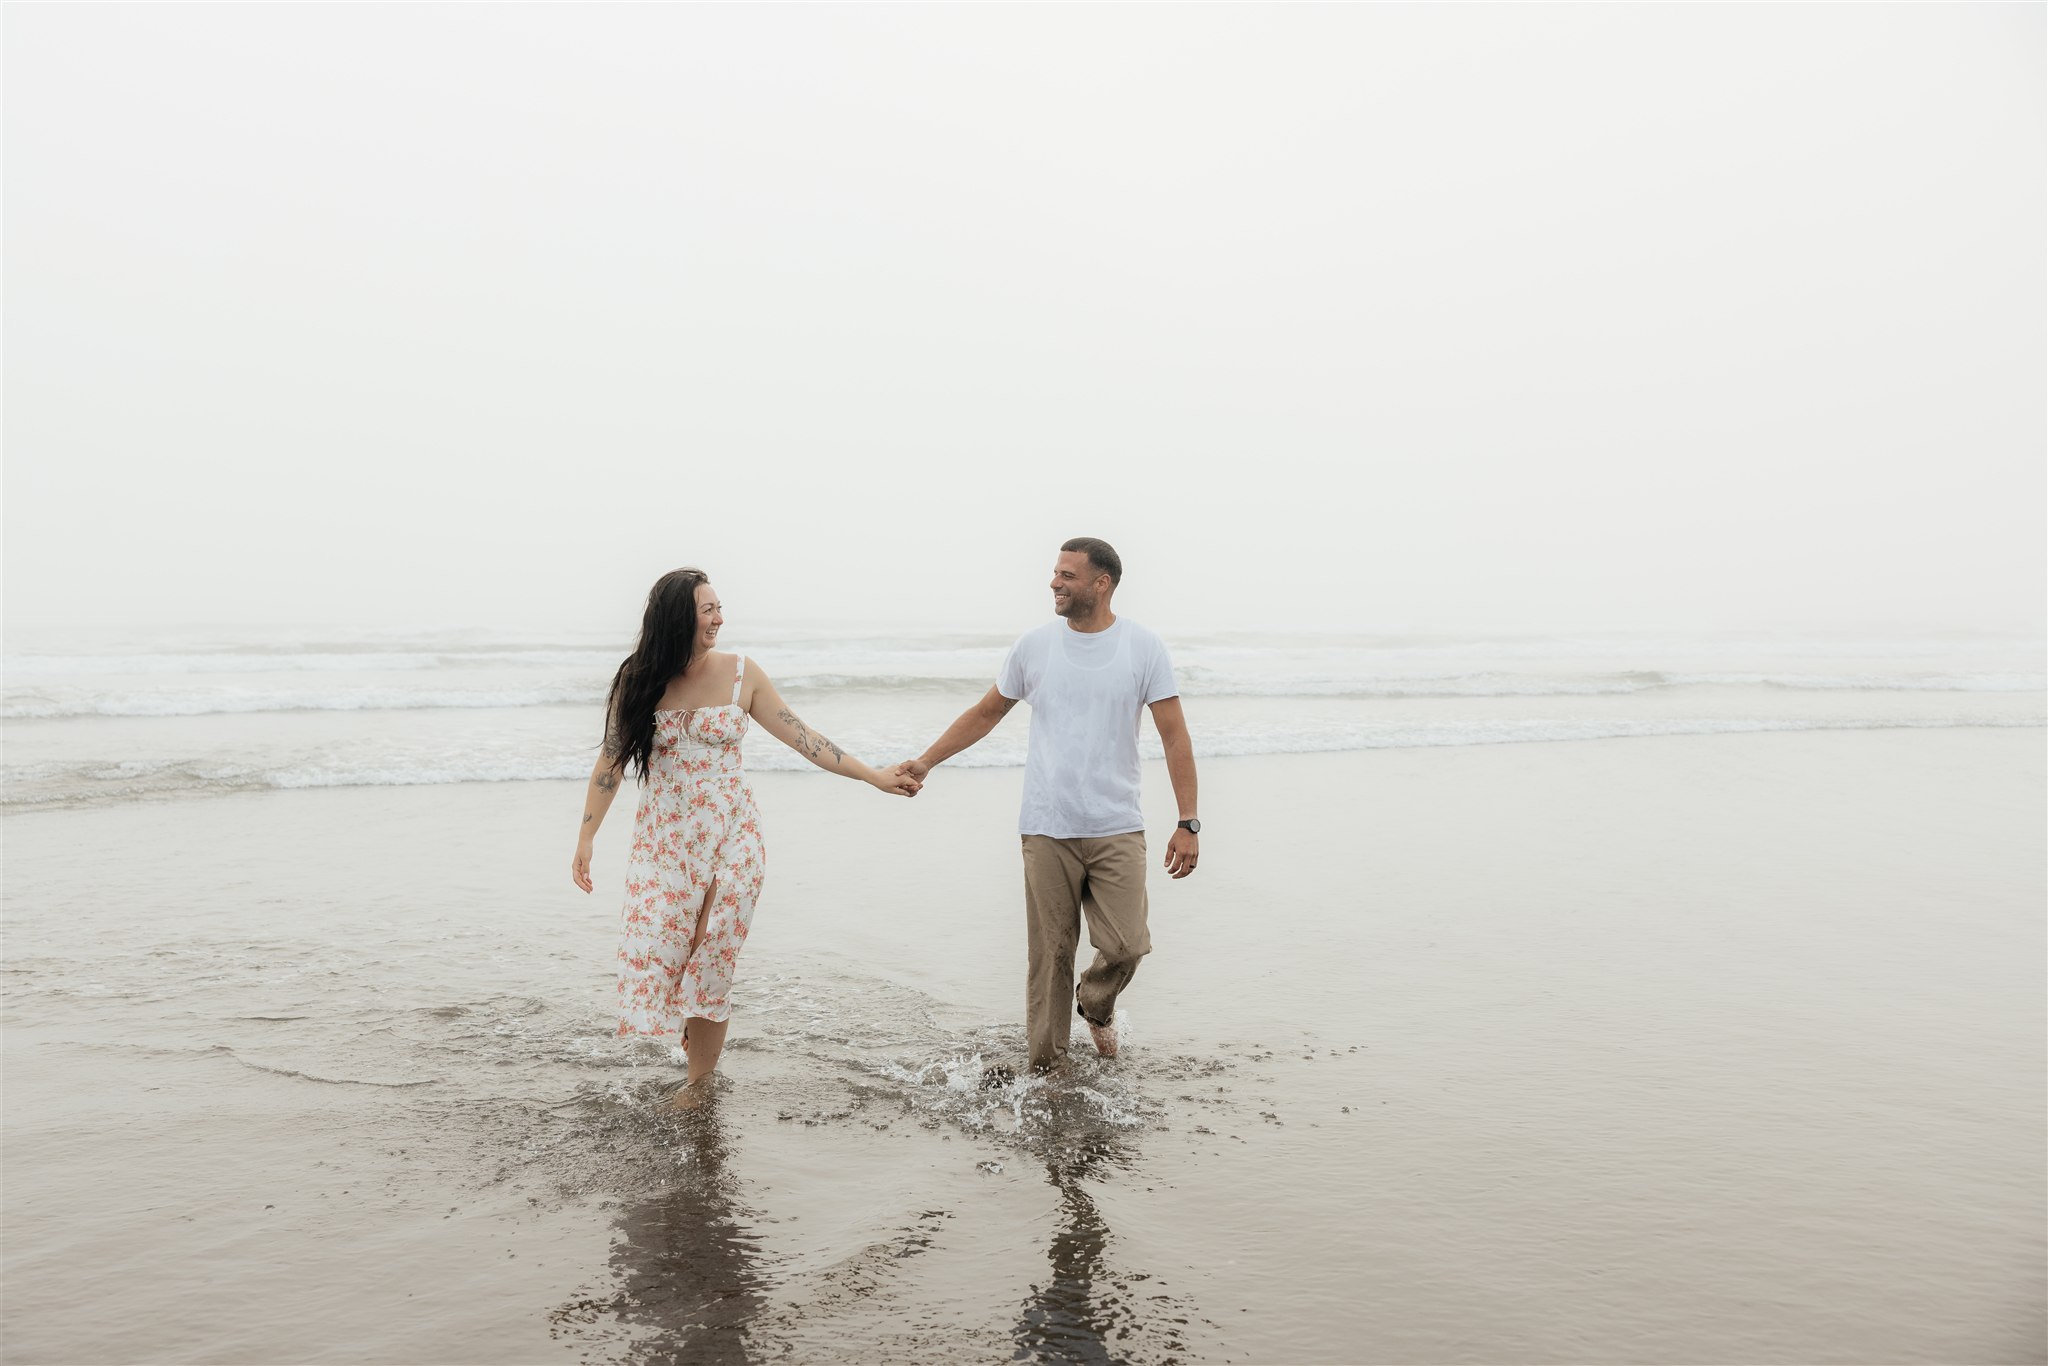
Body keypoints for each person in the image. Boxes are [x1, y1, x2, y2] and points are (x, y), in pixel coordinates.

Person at [572, 567, 918, 1096]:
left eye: (718, 607)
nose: (719, 618)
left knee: (714, 948)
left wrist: (872, 776)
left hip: (733, 832)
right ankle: (693, 1026)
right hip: (667, 841)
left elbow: (804, 738)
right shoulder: (638, 681)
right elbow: (611, 762)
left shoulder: (741, 673)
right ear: (676, 619)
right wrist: (586, 838)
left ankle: (698, 1086)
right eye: (706, 609)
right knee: (671, 952)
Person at [900, 537, 1199, 1073]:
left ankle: (1096, 1003)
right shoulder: (1034, 647)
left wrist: (1188, 821)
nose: (1054, 584)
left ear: (1101, 584)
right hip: (1046, 827)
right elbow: (987, 712)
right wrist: (927, 761)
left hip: (1116, 825)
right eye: (1054, 574)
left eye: (1066, 575)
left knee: (1128, 945)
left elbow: (1175, 735)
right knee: (1050, 958)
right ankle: (1048, 1071)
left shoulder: (1143, 647)